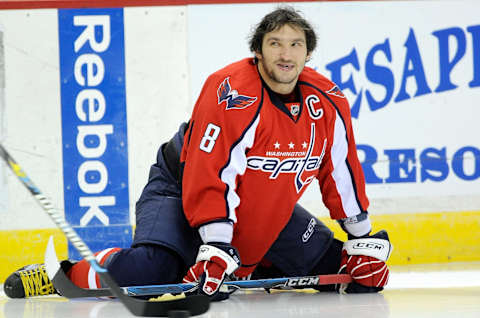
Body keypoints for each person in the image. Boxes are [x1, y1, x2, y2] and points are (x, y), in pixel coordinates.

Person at [4, 6, 392, 300]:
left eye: (296, 45)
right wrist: (218, 245)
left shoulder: (327, 101)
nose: (285, 54)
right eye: (275, 43)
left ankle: (246, 265)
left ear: (308, 54)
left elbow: (339, 170)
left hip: (263, 206)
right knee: (149, 272)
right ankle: (63, 276)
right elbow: (211, 173)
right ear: (257, 50)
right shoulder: (230, 91)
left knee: (348, 271)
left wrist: (361, 240)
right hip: (182, 187)